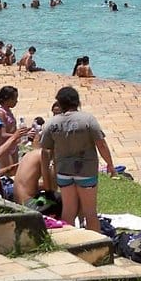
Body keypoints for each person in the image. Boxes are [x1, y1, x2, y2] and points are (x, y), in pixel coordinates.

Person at [39, 86, 117, 231]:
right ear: (77, 102)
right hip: (85, 171)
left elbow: (45, 150)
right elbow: (101, 144)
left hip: (63, 173)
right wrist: (110, 165)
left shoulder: (51, 124)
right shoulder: (88, 119)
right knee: (90, 213)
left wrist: (46, 176)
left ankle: (69, 244)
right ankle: (95, 245)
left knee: (68, 212)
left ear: (60, 103)